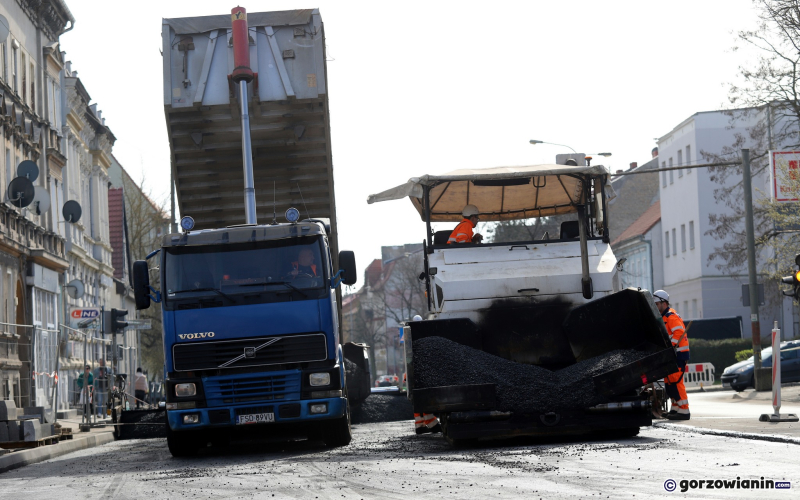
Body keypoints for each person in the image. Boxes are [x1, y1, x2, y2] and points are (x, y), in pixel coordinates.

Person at [653, 290, 690, 420]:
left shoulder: (671, 317)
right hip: (672, 355)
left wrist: (670, 347)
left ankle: (684, 411)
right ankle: (675, 409)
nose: (656, 307)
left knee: (676, 381)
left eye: (657, 304)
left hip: (678, 355)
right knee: (670, 383)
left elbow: (679, 333)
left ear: (664, 303)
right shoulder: (664, 317)